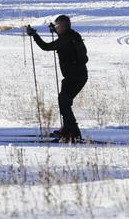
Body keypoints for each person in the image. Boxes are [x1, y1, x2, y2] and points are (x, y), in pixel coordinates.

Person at [24, 15, 88, 143]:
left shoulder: (65, 40)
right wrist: (56, 32)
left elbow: (46, 47)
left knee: (64, 102)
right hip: (76, 76)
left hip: (74, 77)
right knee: (63, 101)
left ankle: (73, 132)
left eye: (57, 26)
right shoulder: (73, 35)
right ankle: (67, 129)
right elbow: (65, 42)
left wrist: (35, 35)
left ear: (62, 27)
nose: (56, 28)